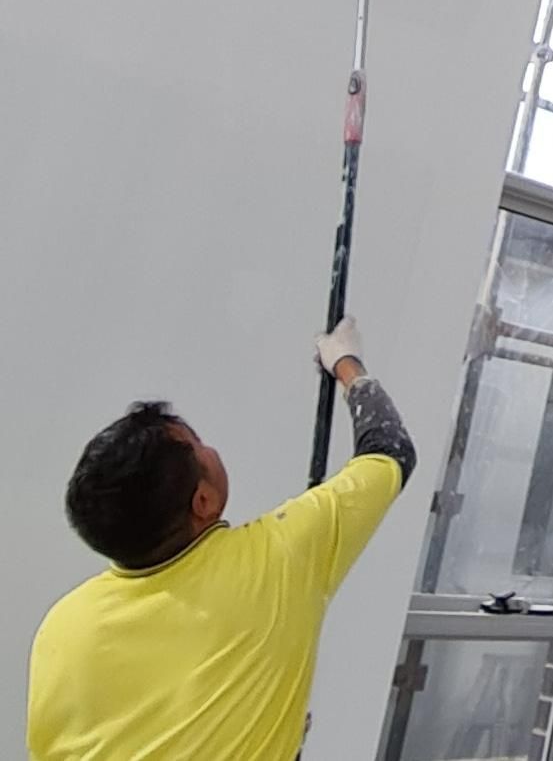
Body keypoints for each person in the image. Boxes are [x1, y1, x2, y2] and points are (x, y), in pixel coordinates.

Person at [27, 318, 416, 761]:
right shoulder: (279, 559)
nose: (211, 450)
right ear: (204, 501)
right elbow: (389, 452)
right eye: (199, 445)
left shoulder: (59, 629)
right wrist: (347, 363)